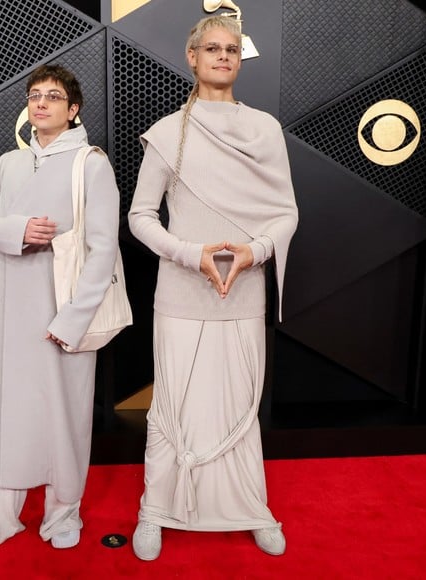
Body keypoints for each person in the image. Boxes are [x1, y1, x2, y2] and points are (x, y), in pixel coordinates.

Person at [127, 14, 299, 560]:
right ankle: (156, 509)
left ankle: (250, 507)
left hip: (244, 290)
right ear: (192, 56)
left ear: (238, 60)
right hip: (180, 294)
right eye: (212, 48)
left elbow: (286, 213)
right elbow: (141, 216)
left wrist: (256, 252)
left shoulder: (264, 129)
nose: (223, 56)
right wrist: (189, 254)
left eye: (231, 49)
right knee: (173, 403)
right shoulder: (166, 132)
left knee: (239, 403)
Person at [0, 64, 121, 550]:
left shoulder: (91, 163)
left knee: (64, 414)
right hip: (8, 308)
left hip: (62, 309)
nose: (41, 103)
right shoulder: (8, 163)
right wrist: (16, 231)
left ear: (73, 111)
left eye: (53, 96)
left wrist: (73, 319)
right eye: (34, 95)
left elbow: (103, 249)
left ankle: (62, 516)